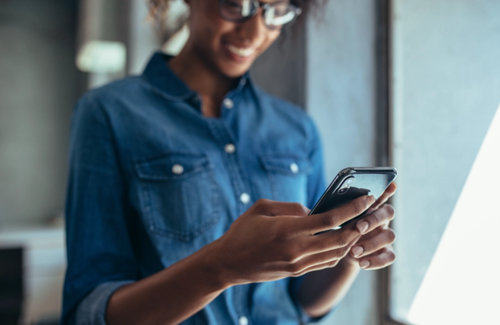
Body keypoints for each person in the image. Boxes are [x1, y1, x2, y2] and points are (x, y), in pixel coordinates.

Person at [61, 0, 397, 324]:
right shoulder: (109, 113)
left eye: (275, 12)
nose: (253, 33)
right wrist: (221, 266)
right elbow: (89, 312)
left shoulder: (297, 128)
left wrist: (349, 249)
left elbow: (302, 301)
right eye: (236, 5)